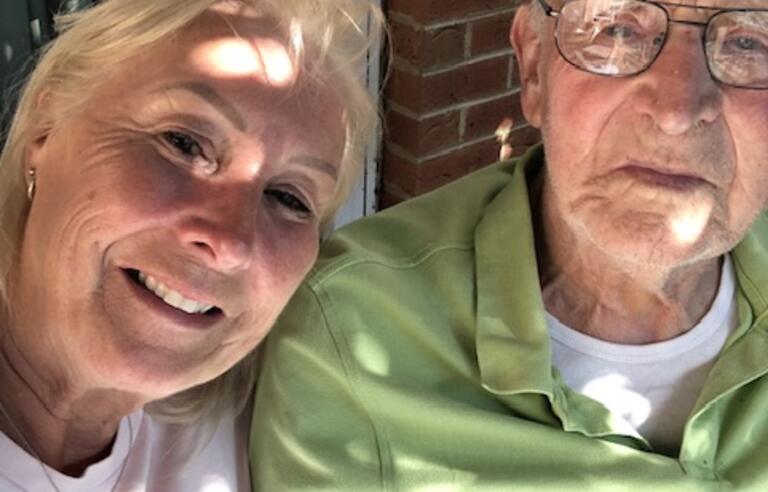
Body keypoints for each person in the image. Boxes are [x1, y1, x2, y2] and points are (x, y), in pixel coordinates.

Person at [251, 0, 768, 490]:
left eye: (749, 42)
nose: (678, 110)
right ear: (534, 68)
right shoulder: (350, 328)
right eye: (617, 28)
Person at [0, 0, 381, 490]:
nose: (230, 243)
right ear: (46, 128)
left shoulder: (277, 428)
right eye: (182, 143)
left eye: (288, 198)